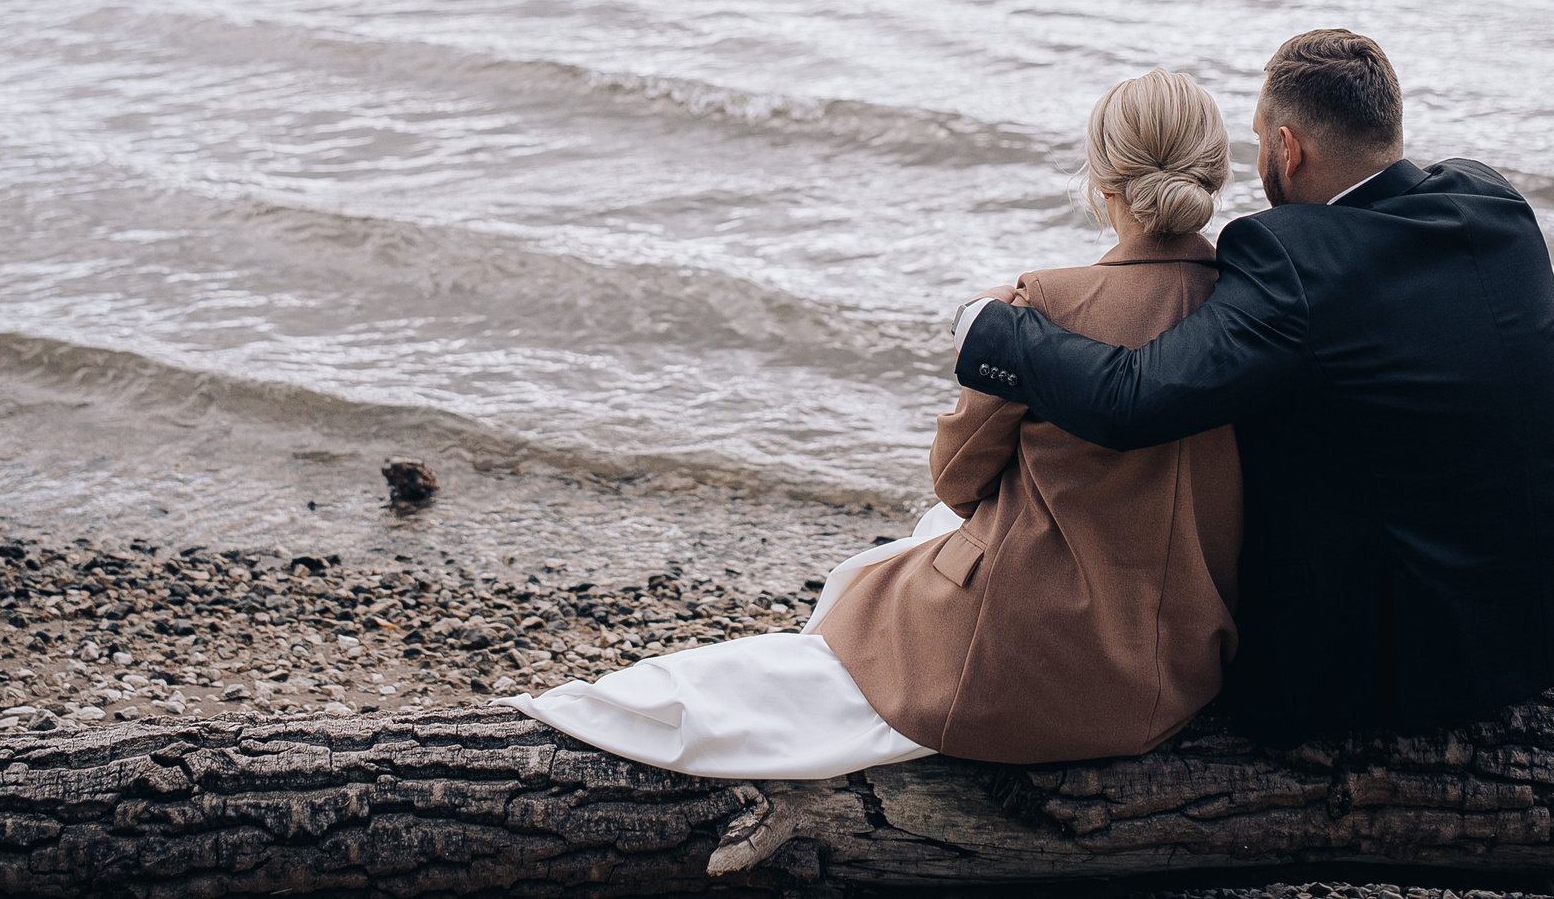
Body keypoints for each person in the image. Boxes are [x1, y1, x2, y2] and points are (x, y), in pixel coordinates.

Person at [503, 69, 1246, 775]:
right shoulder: (1259, 318)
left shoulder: (1046, 306)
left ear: (1102, 182)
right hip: (1178, 670)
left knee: (869, 595)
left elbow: (957, 480)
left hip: (1031, 664)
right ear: (1212, 175)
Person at [954, 29, 1554, 747]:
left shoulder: (1291, 256)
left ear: (1287, 148)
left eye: (1257, 140)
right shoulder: (1494, 202)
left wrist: (991, 328)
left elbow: (1132, 398)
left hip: (1403, 668)